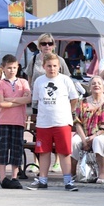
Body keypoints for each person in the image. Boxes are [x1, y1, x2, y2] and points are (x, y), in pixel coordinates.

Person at [27, 54, 80, 191]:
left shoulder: (65, 80)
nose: (52, 69)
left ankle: (68, 181)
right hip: (44, 123)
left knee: (64, 152)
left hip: (61, 122)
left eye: (55, 66)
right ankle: (43, 180)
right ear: (44, 66)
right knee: (44, 152)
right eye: (49, 66)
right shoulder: (39, 81)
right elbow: (37, 101)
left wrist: (69, 111)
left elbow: (74, 98)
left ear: (59, 67)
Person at [0, 55, 32, 189]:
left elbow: (27, 99)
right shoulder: (0, 84)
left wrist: (11, 99)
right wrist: (18, 100)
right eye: (9, 68)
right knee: (2, 149)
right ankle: (3, 177)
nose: (12, 70)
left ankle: (15, 176)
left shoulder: (23, 82)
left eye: (14, 67)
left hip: (18, 121)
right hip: (4, 121)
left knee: (16, 149)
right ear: (3, 68)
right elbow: (1, 103)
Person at [71, 76, 104, 184]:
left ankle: (102, 172)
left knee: (98, 141)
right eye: (93, 83)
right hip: (84, 132)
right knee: (74, 142)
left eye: (99, 83)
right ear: (89, 88)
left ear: (103, 87)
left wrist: (95, 136)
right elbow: (77, 122)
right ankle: (72, 173)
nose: (96, 85)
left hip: (103, 133)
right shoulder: (82, 102)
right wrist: (84, 140)